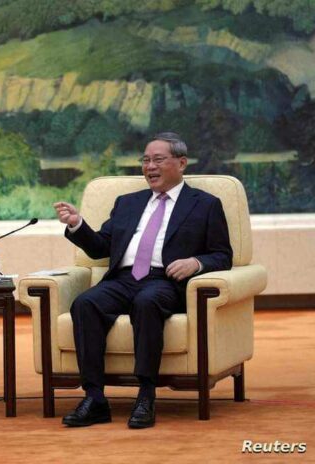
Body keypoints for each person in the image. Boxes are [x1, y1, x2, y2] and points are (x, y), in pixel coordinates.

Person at [53, 132, 232, 429]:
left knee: (146, 302)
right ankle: (95, 399)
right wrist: (77, 224)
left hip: (165, 281)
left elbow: (222, 255)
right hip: (122, 279)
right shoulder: (128, 203)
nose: (150, 166)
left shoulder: (205, 204)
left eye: (158, 160)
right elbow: (100, 248)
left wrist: (195, 263)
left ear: (181, 163)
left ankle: (146, 395)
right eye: (146, 160)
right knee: (85, 303)